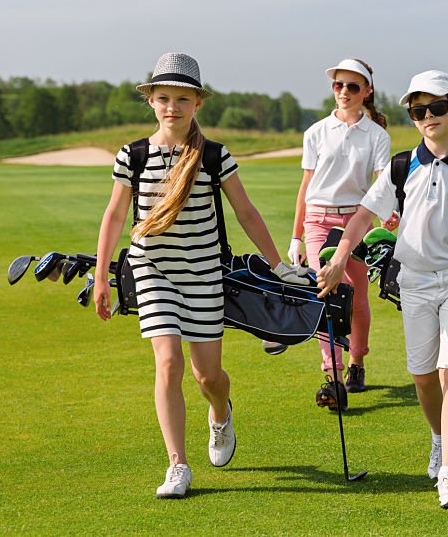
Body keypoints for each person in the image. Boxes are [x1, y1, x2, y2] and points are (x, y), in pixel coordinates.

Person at [93, 52, 308, 499]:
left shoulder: (213, 156)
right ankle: (177, 465)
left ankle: (221, 414)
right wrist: (101, 276)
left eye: (183, 99)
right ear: (151, 100)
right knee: (168, 363)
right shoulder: (131, 155)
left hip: (204, 275)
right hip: (153, 270)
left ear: (198, 103)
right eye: (164, 97)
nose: (173, 106)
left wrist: (278, 264)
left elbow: (244, 211)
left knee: (207, 376)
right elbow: (115, 217)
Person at [317, 70, 448, 510]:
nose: (428, 117)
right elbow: (364, 215)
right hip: (414, 281)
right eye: (418, 110)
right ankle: (439, 438)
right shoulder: (403, 166)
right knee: (423, 378)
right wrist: (342, 254)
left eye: (436, 107)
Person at [284, 57, 392, 408]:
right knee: (328, 291)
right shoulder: (315, 132)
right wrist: (296, 236)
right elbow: (305, 186)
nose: (343, 92)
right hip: (317, 219)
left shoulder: (377, 135)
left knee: (357, 298)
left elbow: (380, 183)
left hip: (356, 220)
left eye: (352, 86)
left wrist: (388, 216)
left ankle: (357, 361)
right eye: (338, 85)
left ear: (367, 91)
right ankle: (333, 374)